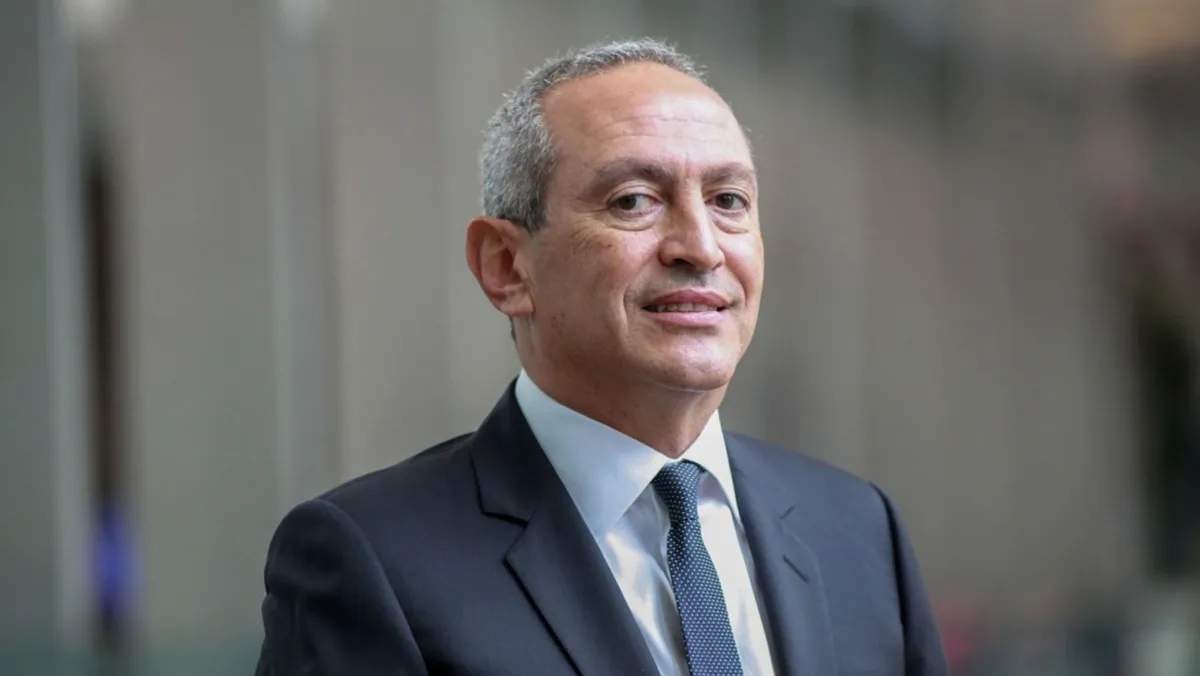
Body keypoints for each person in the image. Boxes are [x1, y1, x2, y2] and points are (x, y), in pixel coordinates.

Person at [254, 38, 949, 676]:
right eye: (634, 200)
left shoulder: (858, 529)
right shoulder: (373, 560)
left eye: (728, 200)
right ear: (506, 266)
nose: (701, 247)